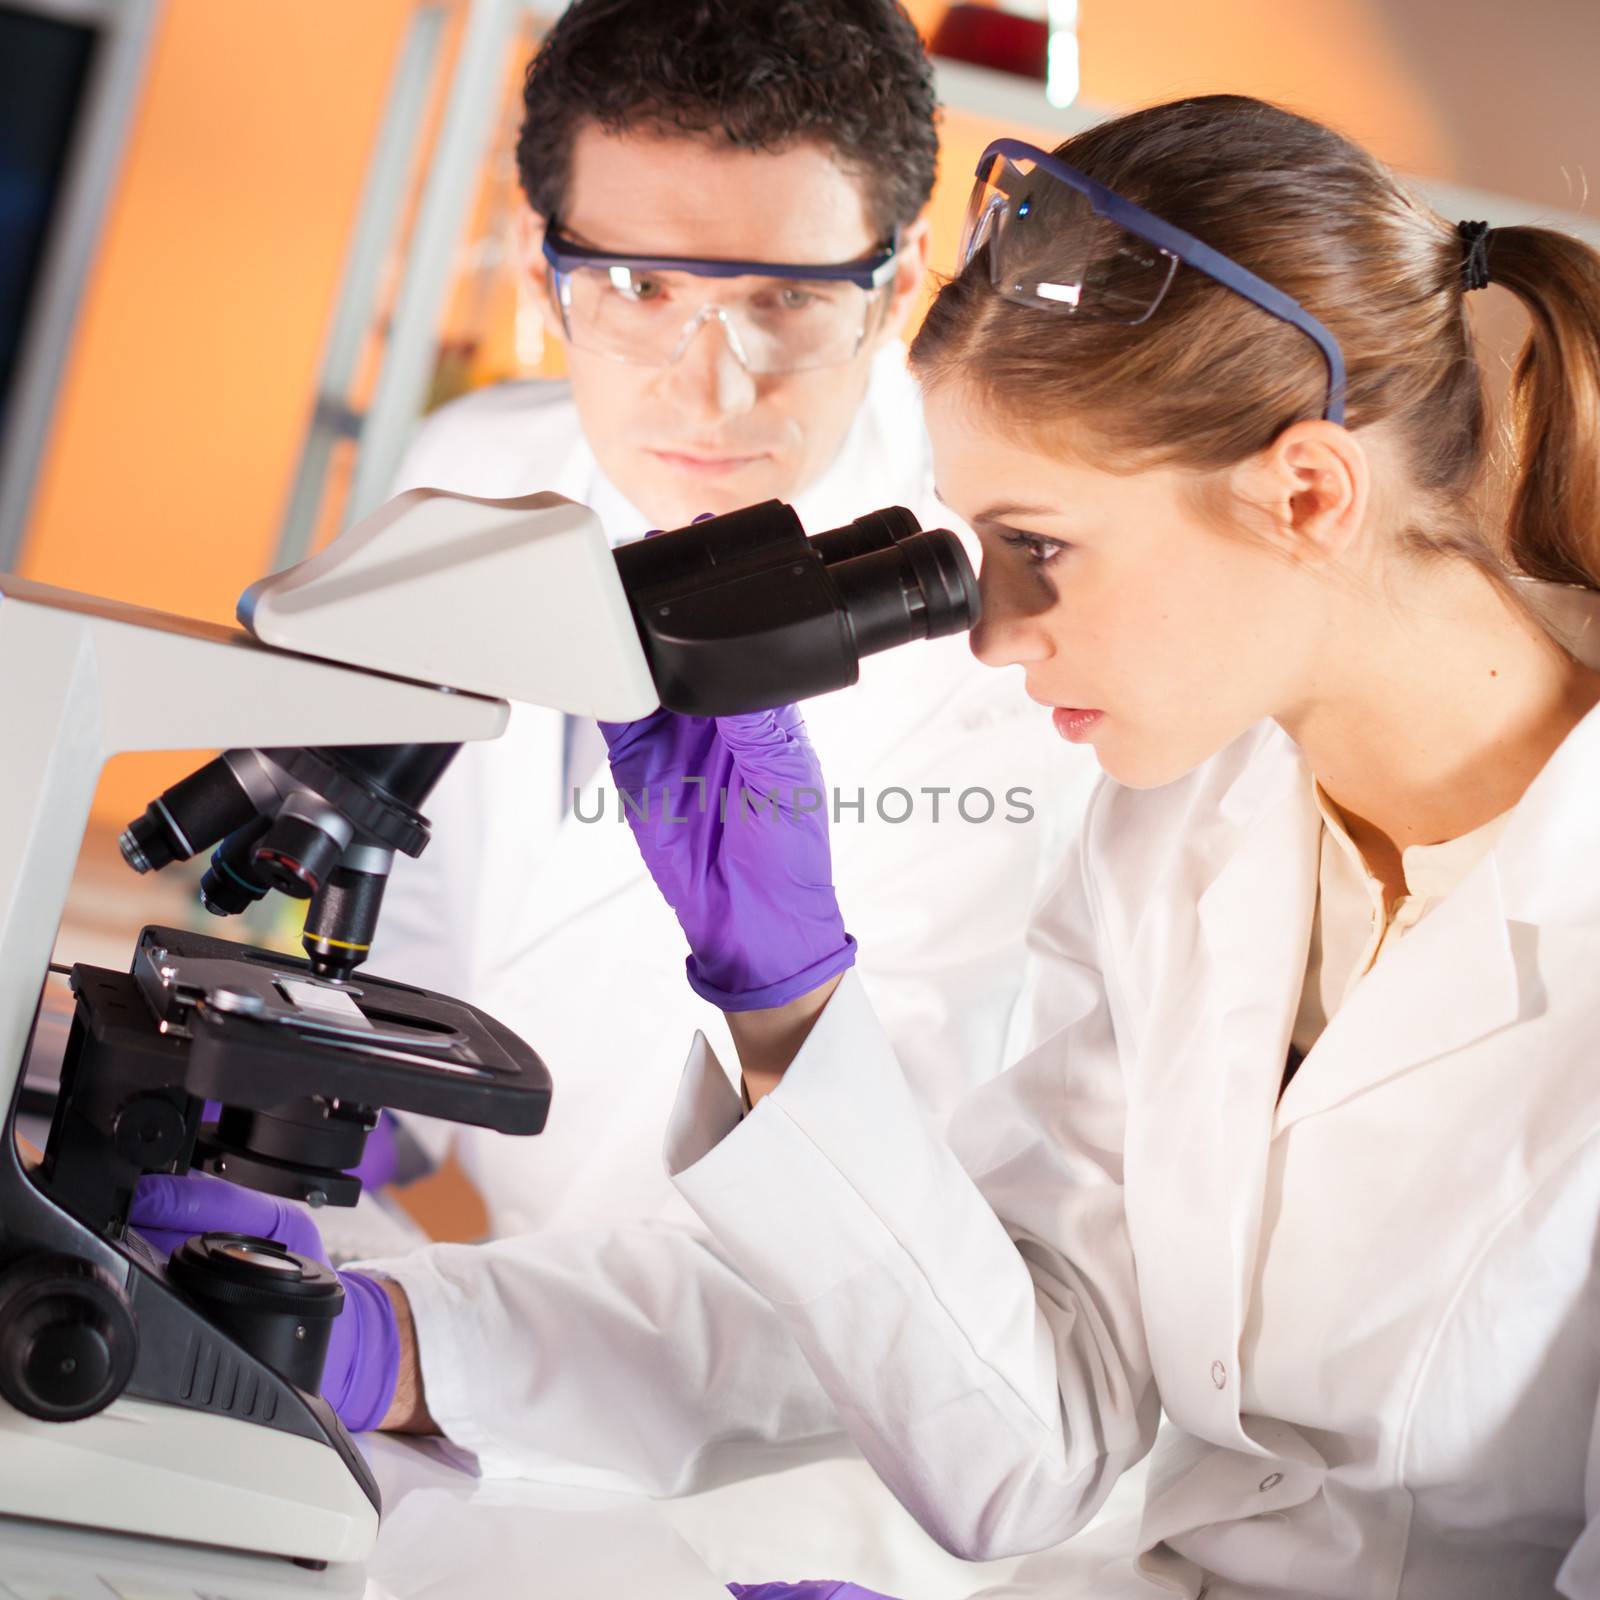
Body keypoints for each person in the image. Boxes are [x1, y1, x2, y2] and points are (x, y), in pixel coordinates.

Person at [133, 92, 1600, 1597]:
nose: (993, 635)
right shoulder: (1188, 829)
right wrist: (787, 1004)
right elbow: (1041, 1439)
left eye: (1041, 546)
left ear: (1306, 492)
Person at [367, 0, 1092, 1236]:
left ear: (897, 283)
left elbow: (904, 1208)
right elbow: (421, 903)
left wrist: (416, 1346)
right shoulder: (473, 477)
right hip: (481, 1317)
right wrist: (339, 1127)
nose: (707, 387)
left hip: (779, 1387)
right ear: (548, 272)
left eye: (783, 299)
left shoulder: (1012, 614)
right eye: (638, 286)